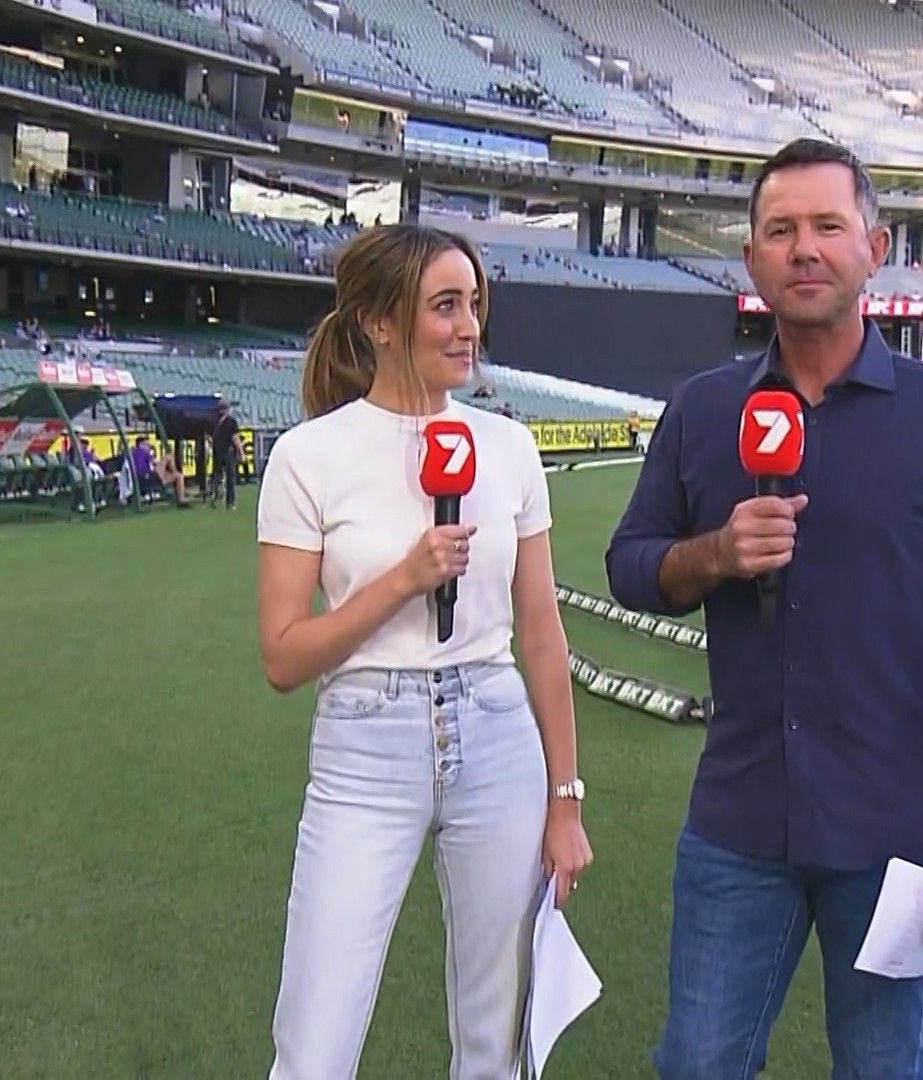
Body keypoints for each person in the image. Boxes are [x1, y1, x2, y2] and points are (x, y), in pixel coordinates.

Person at [605, 138, 923, 1079]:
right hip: (739, 820)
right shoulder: (703, 411)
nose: (805, 248)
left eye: (828, 227)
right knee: (697, 1065)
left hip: (893, 828)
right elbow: (630, 566)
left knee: (881, 1067)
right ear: (751, 259)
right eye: (781, 230)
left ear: (873, 250)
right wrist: (714, 554)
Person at [257, 224, 592, 1080]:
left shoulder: (509, 448)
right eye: (445, 305)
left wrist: (565, 799)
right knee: (314, 1047)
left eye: (473, 303)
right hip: (365, 745)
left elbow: (542, 633)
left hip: (498, 732)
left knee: (498, 1042)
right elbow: (284, 657)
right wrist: (404, 579)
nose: (468, 326)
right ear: (379, 322)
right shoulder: (308, 457)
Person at [207, 401, 245, 509]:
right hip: (228, 452)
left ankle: (214, 497)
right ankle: (230, 502)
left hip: (217, 451)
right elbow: (235, 438)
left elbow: (209, 437)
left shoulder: (213, 421)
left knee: (216, 476)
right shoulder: (231, 421)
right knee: (230, 478)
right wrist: (241, 452)